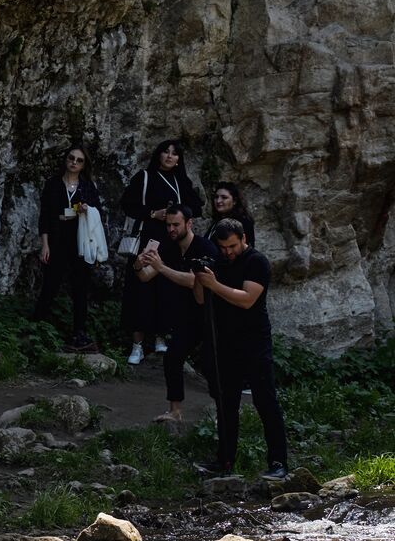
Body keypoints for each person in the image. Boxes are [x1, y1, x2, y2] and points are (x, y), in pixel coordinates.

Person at [195, 218, 289, 480]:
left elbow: (247, 299)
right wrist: (200, 278)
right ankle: (224, 460)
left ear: (243, 238)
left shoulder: (256, 262)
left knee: (265, 401)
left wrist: (215, 285)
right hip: (226, 343)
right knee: (227, 405)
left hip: (254, 341)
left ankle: (279, 462)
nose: (228, 252)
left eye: (233, 246)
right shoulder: (220, 262)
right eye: (223, 247)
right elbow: (201, 299)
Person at [120, 140, 204, 365]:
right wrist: (152, 214)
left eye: (175, 154)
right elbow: (127, 204)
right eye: (166, 152)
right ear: (158, 155)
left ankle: (160, 336)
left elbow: (196, 207)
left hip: (171, 242)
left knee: (166, 289)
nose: (169, 156)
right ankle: (136, 345)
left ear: (179, 159)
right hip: (147, 240)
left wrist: (176, 214)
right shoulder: (144, 177)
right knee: (140, 289)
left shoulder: (181, 181)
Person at [136, 205, 219, 422]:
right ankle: (175, 411)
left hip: (212, 314)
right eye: (168, 225)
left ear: (189, 224)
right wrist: (138, 264)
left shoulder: (205, 247)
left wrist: (161, 267)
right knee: (172, 358)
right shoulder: (169, 248)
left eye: (176, 225)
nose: (171, 229)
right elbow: (146, 276)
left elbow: (195, 280)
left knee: (213, 365)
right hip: (186, 316)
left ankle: (223, 412)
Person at [31, 145, 104, 350]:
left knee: (80, 289)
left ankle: (79, 333)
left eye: (79, 160)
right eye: (71, 158)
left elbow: (98, 211)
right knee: (50, 285)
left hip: (80, 242)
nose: (74, 162)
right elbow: (44, 215)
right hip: (57, 240)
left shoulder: (87, 186)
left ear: (84, 165)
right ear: (66, 159)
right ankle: (35, 329)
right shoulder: (53, 184)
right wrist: (45, 245)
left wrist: (86, 209)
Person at [208, 183, 255, 249]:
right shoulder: (217, 221)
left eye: (224, 197)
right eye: (216, 197)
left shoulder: (243, 222)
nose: (218, 201)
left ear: (234, 201)